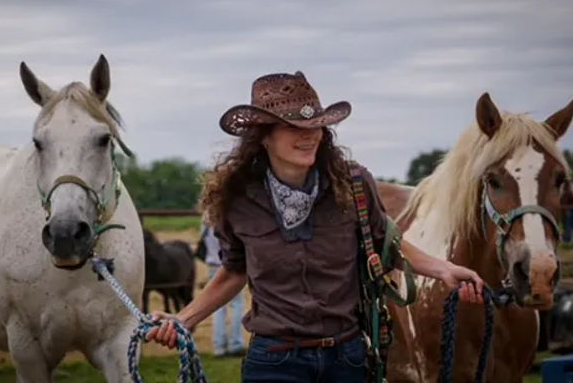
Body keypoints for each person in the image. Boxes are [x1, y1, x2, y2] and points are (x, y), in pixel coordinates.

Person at [146, 72, 484, 382]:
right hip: (275, 361)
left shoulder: (352, 184)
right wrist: (184, 319)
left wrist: (445, 270)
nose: (309, 136)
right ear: (264, 136)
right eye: (294, 127)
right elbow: (235, 272)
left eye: (316, 126)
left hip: (347, 358)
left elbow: (388, 246)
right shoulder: (238, 200)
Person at [200, 220, 246, 356]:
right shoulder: (228, 220)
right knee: (237, 304)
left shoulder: (205, 223)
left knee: (217, 308)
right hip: (229, 265)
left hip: (213, 266)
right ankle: (235, 343)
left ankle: (219, 346)